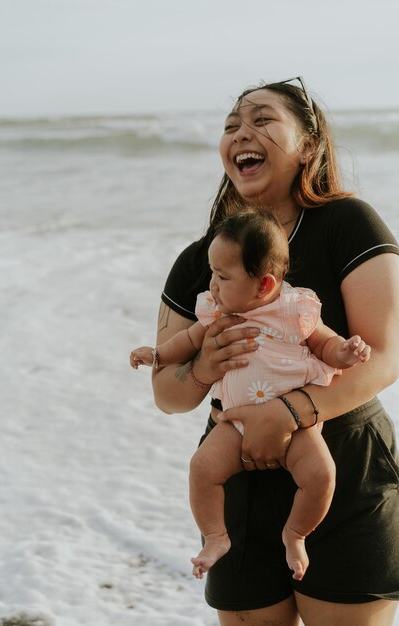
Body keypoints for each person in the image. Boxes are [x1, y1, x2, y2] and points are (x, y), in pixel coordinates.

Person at [150, 77, 399, 626]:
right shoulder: (203, 258)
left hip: (343, 471)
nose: (242, 132)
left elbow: (385, 355)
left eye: (263, 119)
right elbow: (167, 395)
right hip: (237, 482)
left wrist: (286, 413)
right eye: (231, 125)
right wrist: (202, 370)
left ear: (308, 145)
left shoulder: (347, 224)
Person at [130, 210, 371, 582]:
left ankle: (295, 535)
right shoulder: (216, 313)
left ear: (263, 285)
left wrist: (346, 352)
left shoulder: (295, 309)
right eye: (212, 273)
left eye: (223, 277)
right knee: (201, 469)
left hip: (296, 423)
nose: (212, 284)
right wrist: (158, 355)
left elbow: (324, 343)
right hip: (234, 421)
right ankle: (216, 537)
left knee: (321, 475)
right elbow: (185, 341)